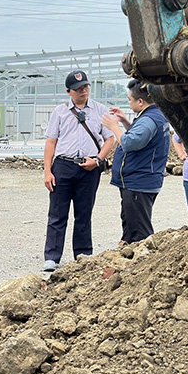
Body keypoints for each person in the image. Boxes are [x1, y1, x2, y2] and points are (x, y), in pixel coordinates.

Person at [42, 70, 116, 272]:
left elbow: (110, 138)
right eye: (78, 89)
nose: (83, 91)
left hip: (89, 168)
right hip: (63, 166)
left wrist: (98, 160)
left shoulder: (100, 110)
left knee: (84, 213)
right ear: (69, 92)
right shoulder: (59, 112)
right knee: (57, 214)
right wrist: (47, 171)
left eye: (85, 87)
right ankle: (52, 257)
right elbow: (51, 142)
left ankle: (83, 255)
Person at [102, 79, 170, 244]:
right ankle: (129, 252)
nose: (129, 102)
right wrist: (125, 121)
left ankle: (143, 260)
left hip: (138, 182)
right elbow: (141, 137)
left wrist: (114, 127)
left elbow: (129, 143)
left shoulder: (148, 120)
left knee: (139, 230)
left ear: (141, 101)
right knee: (131, 223)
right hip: (139, 181)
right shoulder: (155, 115)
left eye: (130, 100)